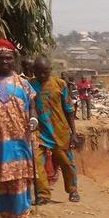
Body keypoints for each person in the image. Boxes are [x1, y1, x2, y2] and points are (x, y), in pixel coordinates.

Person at [0, 38, 39, 218]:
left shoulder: (23, 83)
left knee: (20, 178)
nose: (5, 62)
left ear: (14, 60)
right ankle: (5, 215)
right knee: (1, 180)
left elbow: (32, 104)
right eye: (1, 59)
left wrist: (33, 118)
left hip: (19, 141)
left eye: (9, 58)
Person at [30, 57, 80, 203]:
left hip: (60, 131)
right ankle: (43, 195)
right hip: (39, 132)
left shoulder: (60, 84)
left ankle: (73, 190)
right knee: (37, 163)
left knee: (66, 163)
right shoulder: (30, 85)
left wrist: (74, 133)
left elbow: (69, 110)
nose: (42, 76)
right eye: (38, 72)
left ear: (50, 71)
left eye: (45, 72)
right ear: (34, 72)